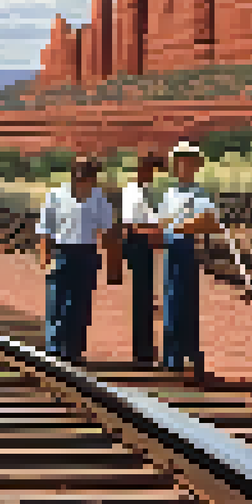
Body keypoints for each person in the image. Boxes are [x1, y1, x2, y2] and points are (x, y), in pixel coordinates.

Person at [36, 155, 114, 365]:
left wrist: (111, 263)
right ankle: (54, 349)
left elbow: (107, 231)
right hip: (61, 252)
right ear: (74, 174)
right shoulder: (56, 195)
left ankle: (74, 350)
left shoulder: (99, 198)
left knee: (81, 304)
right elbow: (45, 229)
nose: (84, 179)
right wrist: (45, 257)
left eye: (88, 174)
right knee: (56, 302)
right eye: (80, 173)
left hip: (87, 253)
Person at [158, 141, 220, 377]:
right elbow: (162, 222)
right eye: (180, 161)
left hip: (187, 247)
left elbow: (210, 221)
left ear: (195, 165)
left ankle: (189, 353)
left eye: (188, 161)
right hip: (171, 245)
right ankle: (172, 356)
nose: (183, 165)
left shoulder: (200, 193)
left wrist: (184, 227)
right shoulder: (169, 193)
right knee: (171, 299)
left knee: (187, 301)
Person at [116, 150, 165, 365]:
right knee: (142, 297)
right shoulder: (132, 191)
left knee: (147, 297)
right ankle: (142, 350)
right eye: (149, 169)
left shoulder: (150, 191)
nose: (152, 174)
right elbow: (131, 223)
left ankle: (146, 347)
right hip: (138, 243)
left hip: (149, 243)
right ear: (141, 168)